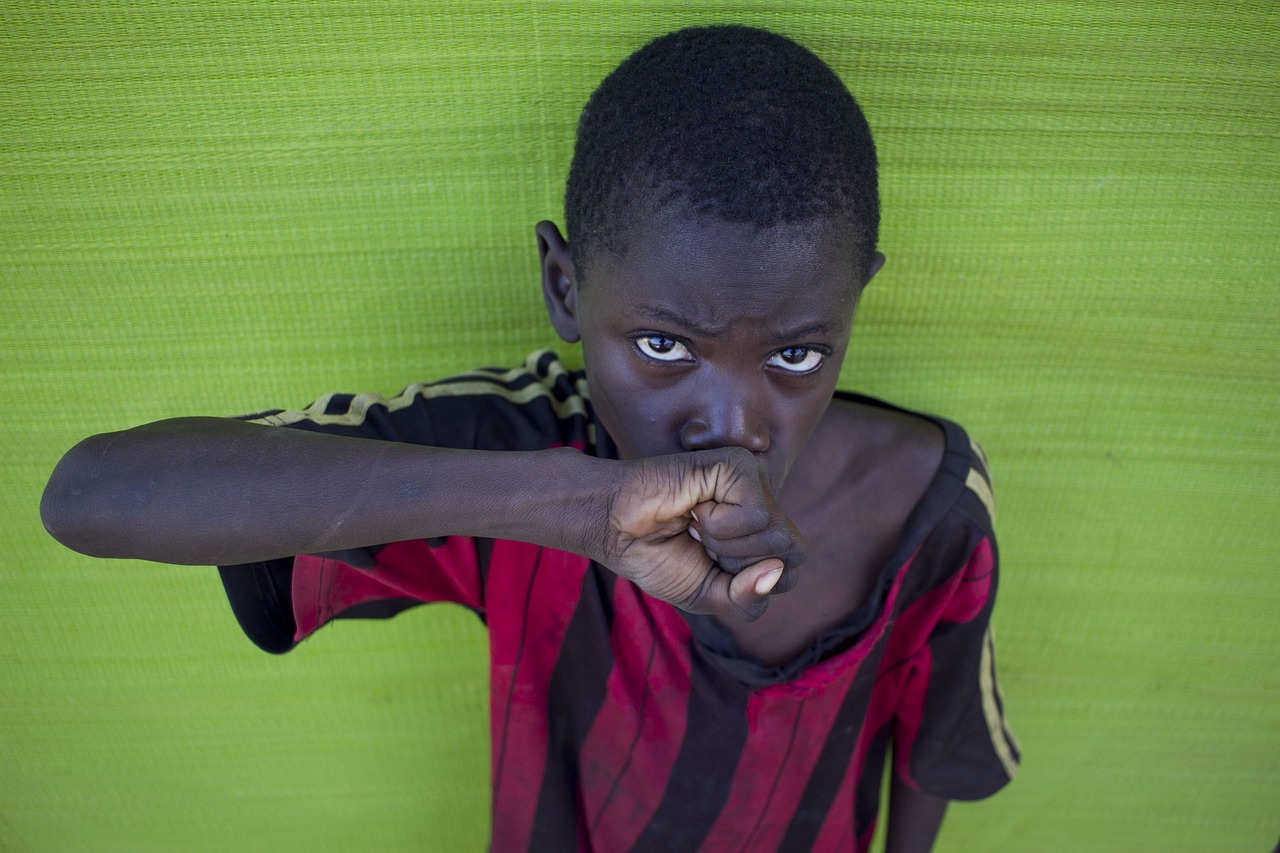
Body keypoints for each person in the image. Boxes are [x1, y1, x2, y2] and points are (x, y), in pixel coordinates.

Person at [40, 24, 1017, 852]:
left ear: (853, 302)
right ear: (562, 286)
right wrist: (582, 506)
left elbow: (930, 744)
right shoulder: (518, 444)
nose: (734, 428)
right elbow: (89, 494)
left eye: (798, 356)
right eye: (662, 343)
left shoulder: (930, 503)